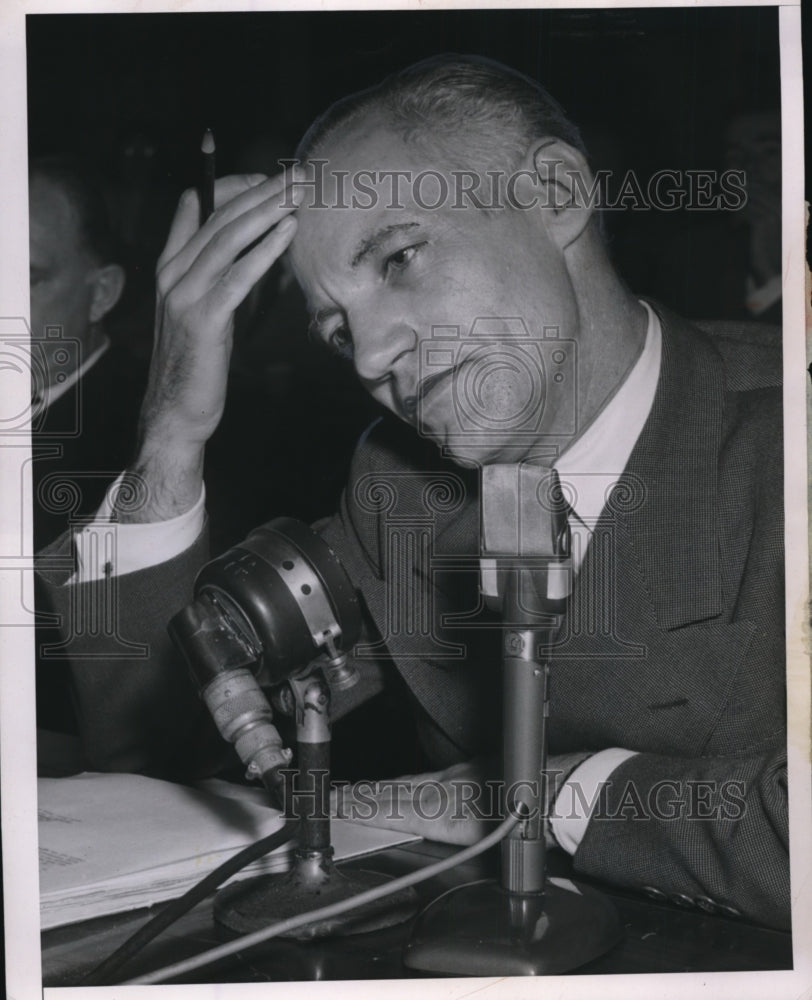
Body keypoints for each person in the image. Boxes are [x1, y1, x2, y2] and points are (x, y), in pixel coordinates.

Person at [36, 56, 788, 930]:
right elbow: (166, 765)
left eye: (399, 259)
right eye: (335, 328)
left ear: (554, 193)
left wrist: (532, 793)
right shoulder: (402, 487)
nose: (369, 357)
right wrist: (172, 427)